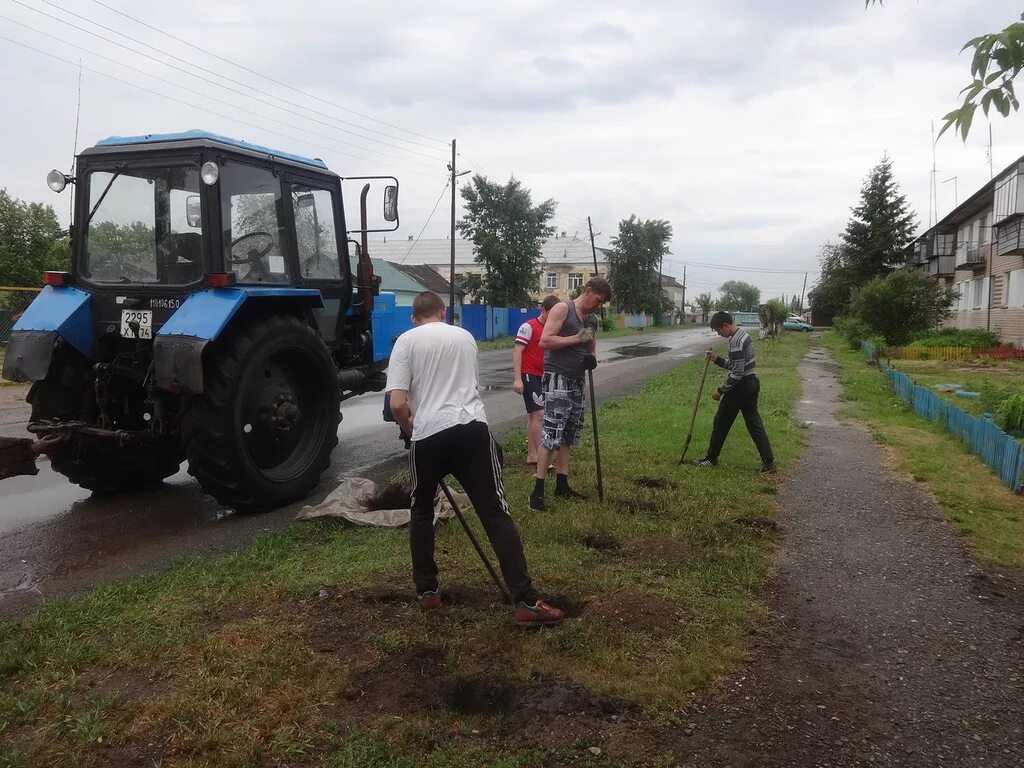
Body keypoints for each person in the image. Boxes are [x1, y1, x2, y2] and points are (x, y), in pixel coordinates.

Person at [386, 291, 564, 626]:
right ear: (443, 312)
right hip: (470, 431)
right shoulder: (465, 337)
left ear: (414, 317)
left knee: (422, 511)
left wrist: (410, 428)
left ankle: (427, 591)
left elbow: (397, 404)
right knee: (495, 512)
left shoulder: (405, 341)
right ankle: (525, 600)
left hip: (428, 436)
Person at [530, 277, 612, 511]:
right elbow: (545, 341)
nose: (599, 306)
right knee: (551, 433)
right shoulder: (562, 308)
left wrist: (592, 359)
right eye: (598, 300)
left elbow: (591, 347)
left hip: (577, 380)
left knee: (569, 433)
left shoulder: (592, 320)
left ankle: (562, 485)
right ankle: (537, 490)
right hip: (557, 378)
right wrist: (575, 339)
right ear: (588, 291)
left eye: (602, 303)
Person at [693, 310, 776, 474]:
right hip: (752, 383)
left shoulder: (736, 341)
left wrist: (720, 389)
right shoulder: (742, 335)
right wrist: (716, 359)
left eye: (718, 331)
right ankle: (768, 462)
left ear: (725, 325)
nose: (719, 334)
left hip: (741, 387)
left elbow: (737, 373)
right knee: (754, 424)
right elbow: (735, 365)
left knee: (720, 422)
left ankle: (711, 458)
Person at [513, 294, 561, 465]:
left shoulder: (553, 328)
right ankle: (540, 456)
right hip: (529, 374)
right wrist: (518, 379)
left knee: (536, 416)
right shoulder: (528, 327)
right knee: (539, 414)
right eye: (552, 313)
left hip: (545, 376)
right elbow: (518, 351)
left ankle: (532, 455)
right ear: (544, 310)